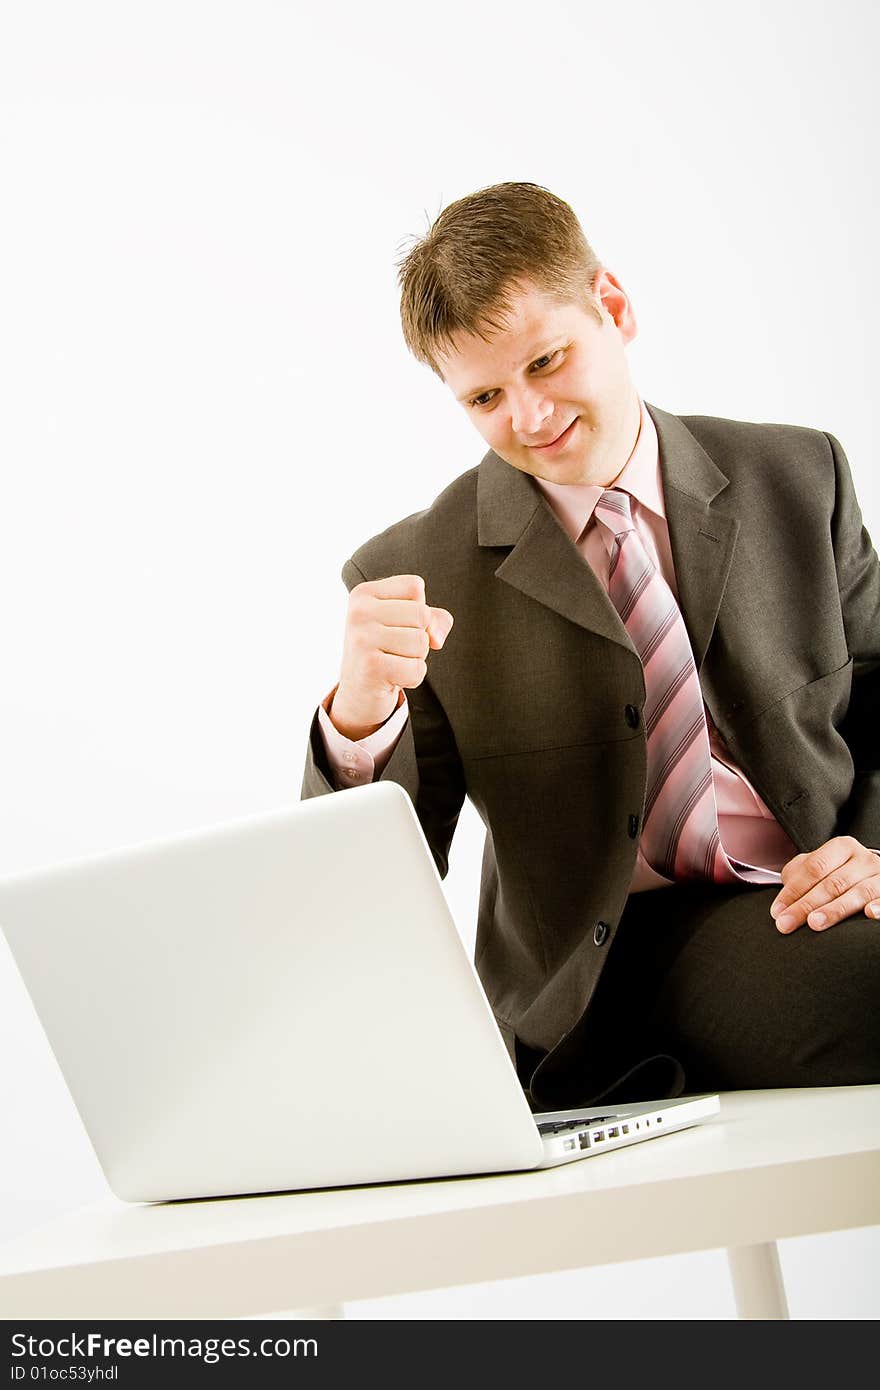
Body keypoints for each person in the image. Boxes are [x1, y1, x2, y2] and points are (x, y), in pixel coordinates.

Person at [301, 182, 880, 1109]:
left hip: (819, 887)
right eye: (486, 395)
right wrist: (359, 717)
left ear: (612, 306)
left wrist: (872, 854)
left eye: (547, 361)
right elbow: (366, 888)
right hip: (612, 966)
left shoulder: (798, 475)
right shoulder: (411, 568)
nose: (529, 417)